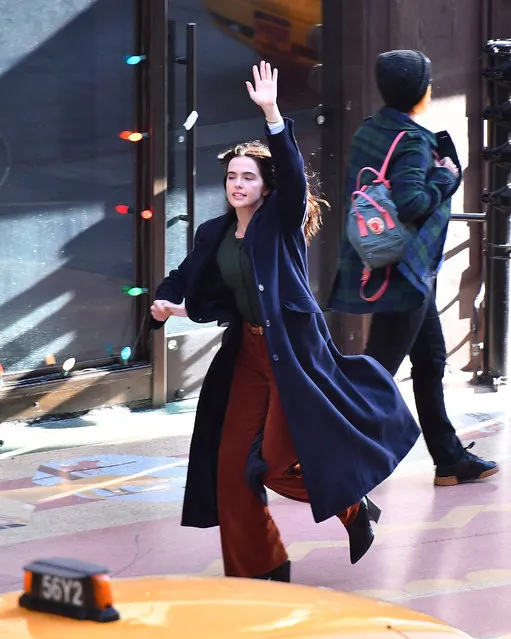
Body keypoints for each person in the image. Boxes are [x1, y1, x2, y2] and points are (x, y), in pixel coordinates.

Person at [150, 61, 420, 582]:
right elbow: (183, 277)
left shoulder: (281, 222)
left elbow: (293, 173)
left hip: (294, 351)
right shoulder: (214, 233)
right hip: (248, 355)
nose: (236, 184)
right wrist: (167, 304)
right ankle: (262, 566)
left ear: (266, 187)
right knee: (232, 469)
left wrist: (273, 113)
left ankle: (353, 507)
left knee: (274, 463)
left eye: (247, 177)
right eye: (231, 177)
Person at [329, 49, 499, 487]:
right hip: (405, 270)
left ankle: (449, 459)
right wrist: (446, 176)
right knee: (377, 370)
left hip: (390, 264)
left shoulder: (370, 131)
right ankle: (312, 456)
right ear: (420, 90)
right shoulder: (413, 140)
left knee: (430, 359)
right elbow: (412, 202)